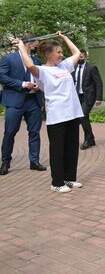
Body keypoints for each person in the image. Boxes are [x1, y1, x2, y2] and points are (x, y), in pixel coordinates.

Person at [15, 33, 83, 193]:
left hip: (73, 113)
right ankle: (57, 182)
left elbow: (77, 53)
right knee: (58, 150)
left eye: (61, 51)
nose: (61, 54)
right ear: (48, 54)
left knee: (72, 148)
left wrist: (64, 37)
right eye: (58, 52)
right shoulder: (42, 71)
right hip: (57, 115)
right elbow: (29, 65)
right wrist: (21, 47)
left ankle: (70, 178)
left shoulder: (65, 66)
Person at [0, 34, 46, 175]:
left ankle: (34, 161)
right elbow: (2, 76)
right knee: (10, 132)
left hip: (33, 101)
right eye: (36, 42)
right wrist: (22, 84)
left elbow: (41, 77)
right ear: (29, 43)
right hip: (15, 101)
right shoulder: (8, 59)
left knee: (34, 133)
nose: (37, 45)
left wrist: (38, 85)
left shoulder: (36, 60)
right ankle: (5, 162)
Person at [73, 49, 103, 150]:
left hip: (88, 97)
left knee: (83, 116)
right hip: (76, 97)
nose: (80, 58)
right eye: (79, 56)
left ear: (85, 57)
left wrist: (99, 98)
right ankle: (91, 139)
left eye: (82, 56)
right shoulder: (73, 67)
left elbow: (98, 83)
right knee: (78, 119)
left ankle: (88, 139)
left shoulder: (91, 68)